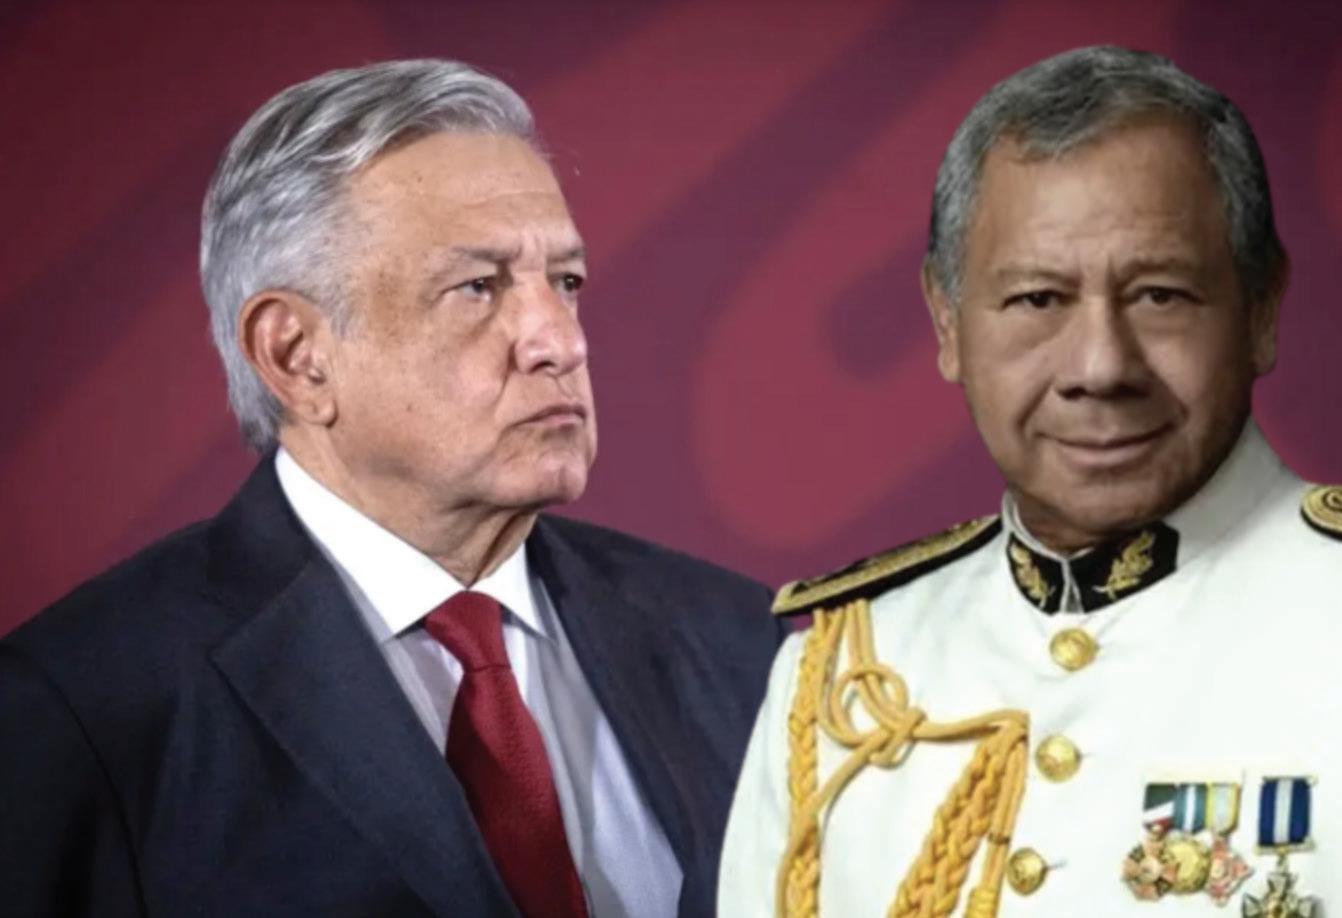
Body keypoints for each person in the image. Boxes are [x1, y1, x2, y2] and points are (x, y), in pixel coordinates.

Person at [719, 45, 1342, 917]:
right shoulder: (840, 674)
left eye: (1160, 295)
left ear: (1263, 309)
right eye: (1038, 299)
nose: (1101, 367)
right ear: (947, 323)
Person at [0, 60, 782, 918]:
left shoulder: (743, 642)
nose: (560, 341)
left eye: (565, 282)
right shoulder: (83, 708)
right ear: (297, 356)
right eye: (477, 287)